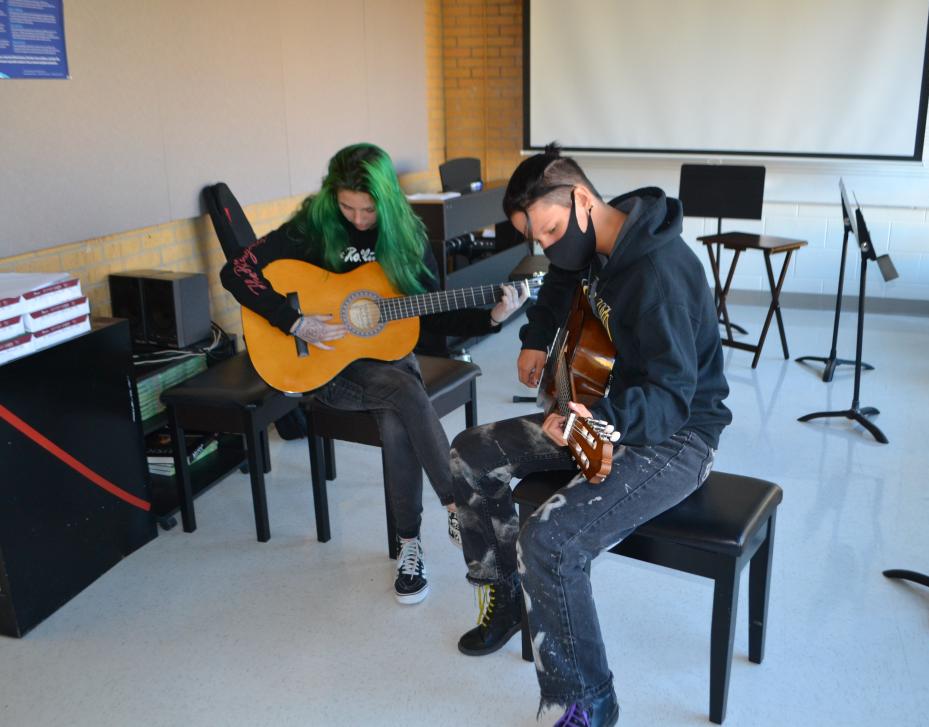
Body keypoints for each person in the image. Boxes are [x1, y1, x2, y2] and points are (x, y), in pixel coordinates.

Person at [449, 144, 731, 727]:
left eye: (551, 231)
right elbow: (560, 280)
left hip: (674, 437)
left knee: (550, 543)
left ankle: (586, 702)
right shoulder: (589, 239)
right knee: (470, 454)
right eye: (537, 239)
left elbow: (674, 397)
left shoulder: (659, 272)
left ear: (581, 200)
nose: (549, 247)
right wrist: (535, 335)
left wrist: (594, 420)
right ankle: (503, 597)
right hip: (602, 408)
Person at [220, 143, 528, 605]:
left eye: (369, 209)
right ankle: (460, 503)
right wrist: (294, 321)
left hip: (386, 360)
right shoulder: (311, 227)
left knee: (396, 410)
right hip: (323, 364)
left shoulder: (406, 237)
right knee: (403, 391)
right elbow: (236, 272)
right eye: (348, 207)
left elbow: (433, 318)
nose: (360, 219)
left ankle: (408, 546)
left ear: (387, 200)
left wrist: (491, 318)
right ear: (332, 198)